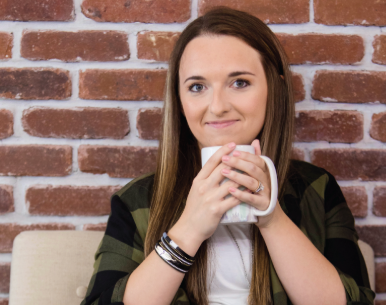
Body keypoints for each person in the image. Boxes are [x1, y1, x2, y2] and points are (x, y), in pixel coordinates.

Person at [80, 6, 375, 305]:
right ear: (180, 101)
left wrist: (272, 218)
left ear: (275, 88)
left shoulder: (317, 190)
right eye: (197, 87)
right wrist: (189, 229)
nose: (218, 105)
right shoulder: (137, 201)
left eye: (240, 83)